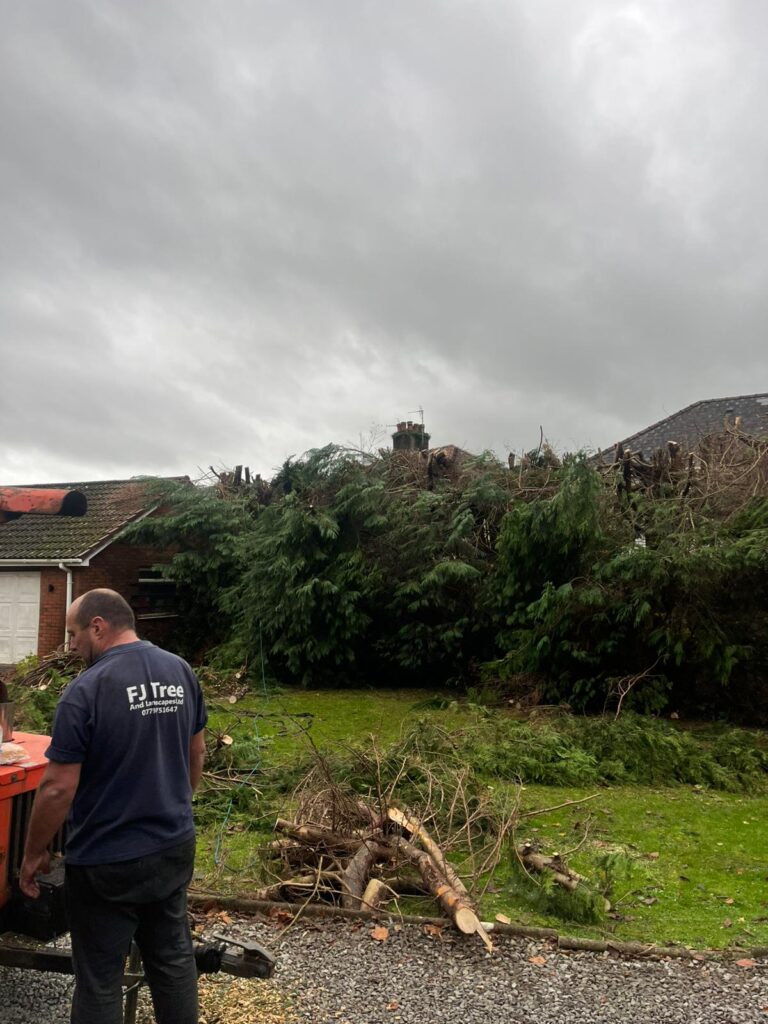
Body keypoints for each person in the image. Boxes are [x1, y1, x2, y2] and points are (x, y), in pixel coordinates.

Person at [19, 588, 207, 1024]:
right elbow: (196, 753)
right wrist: (176, 805)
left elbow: (56, 789)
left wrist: (32, 854)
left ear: (98, 627)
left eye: (73, 635)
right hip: (172, 846)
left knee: (101, 978)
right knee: (173, 960)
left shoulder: (85, 690)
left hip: (107, 860)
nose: (71, 646)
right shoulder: (179, 670)